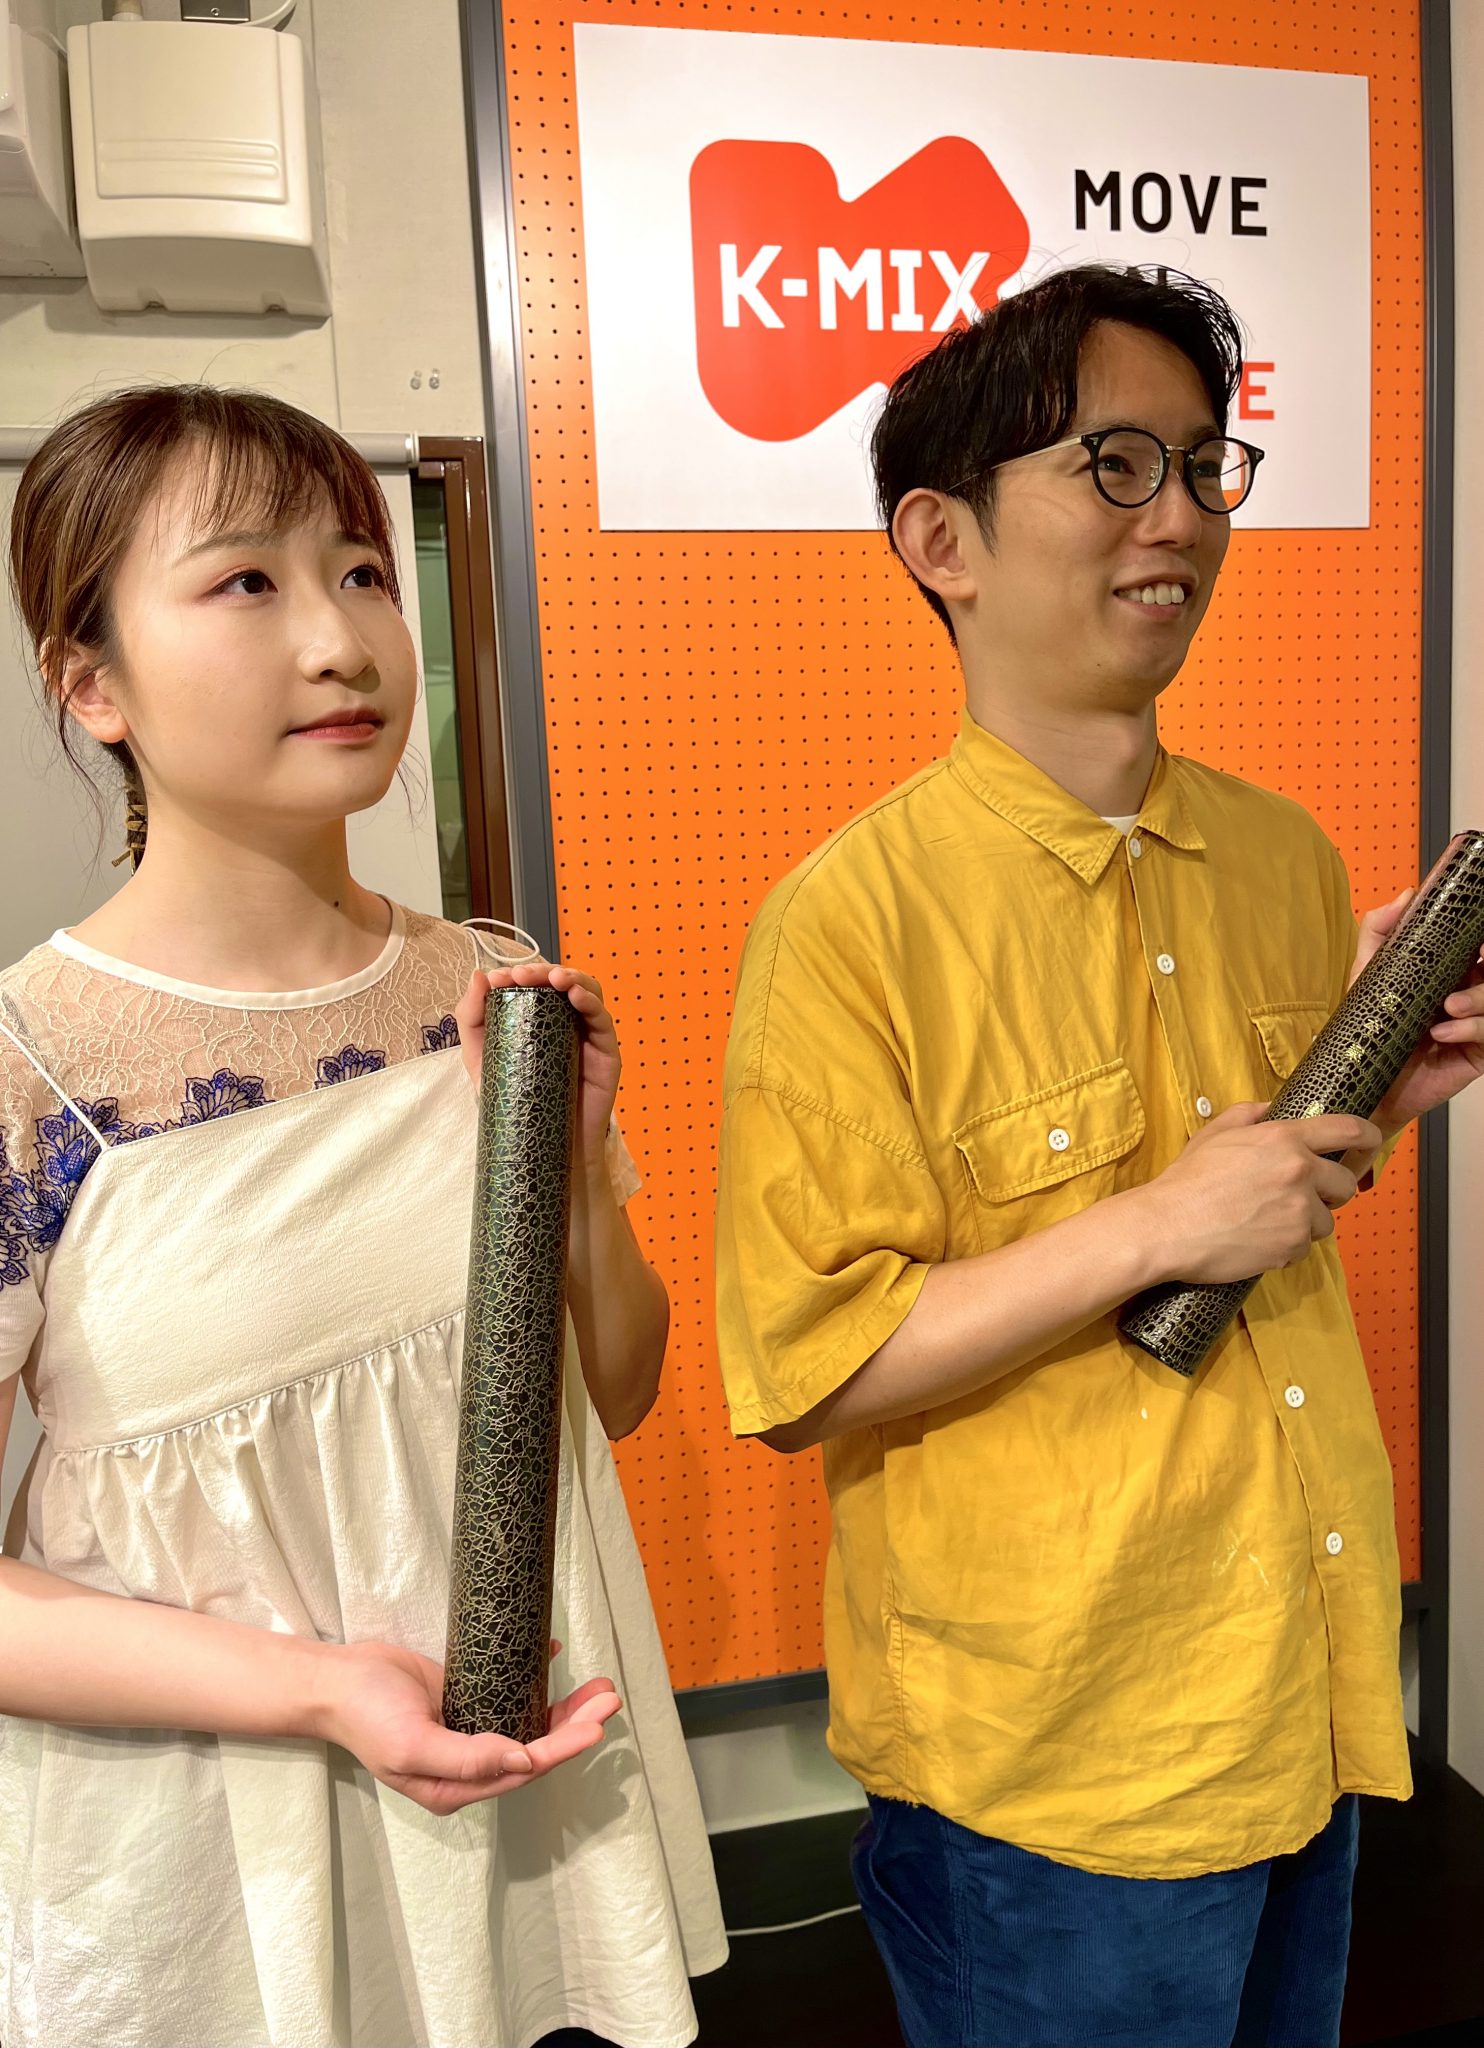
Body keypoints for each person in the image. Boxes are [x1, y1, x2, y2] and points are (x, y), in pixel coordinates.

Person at [714, 265, 1484, 2048]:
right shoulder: (848, 924)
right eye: (1115, 465)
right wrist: (1159, 1225)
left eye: (1207, 467)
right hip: (1055, 1767)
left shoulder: (1283, 859)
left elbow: (1259, 1213)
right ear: (943, 540)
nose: (1182, 518)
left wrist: (1368, 1109)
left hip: (1300, 1691)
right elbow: (811, 1372)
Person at [0, 385, 724, 2048]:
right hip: (212, 1848)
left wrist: (577, 1181)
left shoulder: (488, 979)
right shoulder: (33, 1067)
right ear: (91, 683)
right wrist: (323, 1693)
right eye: (245, 582)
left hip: (521, 1786)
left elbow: (616, 1390)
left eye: (362, 574)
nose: (340, 643)